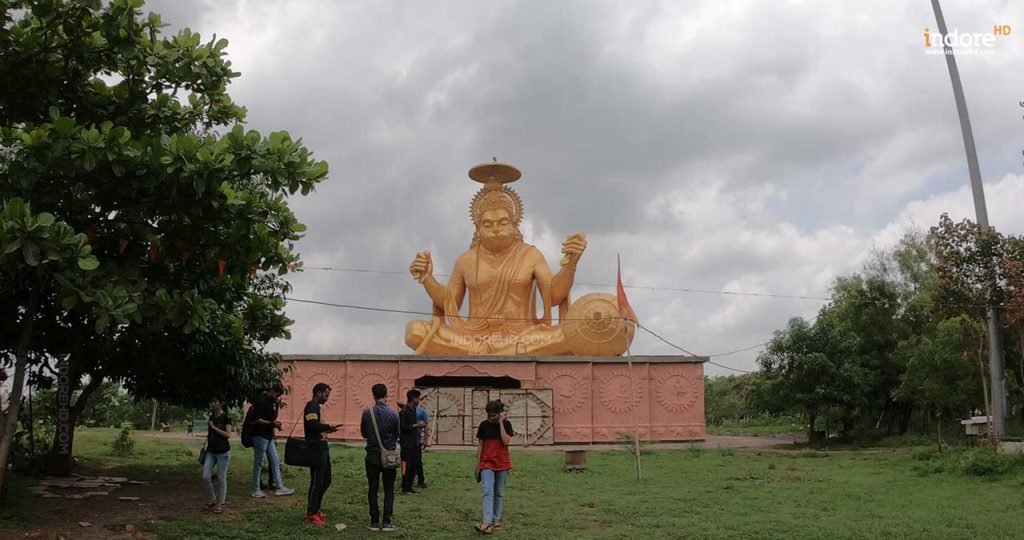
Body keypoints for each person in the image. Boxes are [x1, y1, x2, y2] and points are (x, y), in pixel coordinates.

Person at [361, 383, 400, 532]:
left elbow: (364, 433)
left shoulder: (366, 413)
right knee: (389, 489)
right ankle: (387, 521)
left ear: (373, 395)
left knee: (373, 488)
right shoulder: (393, 414)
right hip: (388, 456)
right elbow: (397, 434)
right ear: (386, 395)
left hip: (372, 455)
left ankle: (374, 520)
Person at [303, 383, 342, 526]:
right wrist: (328, 427)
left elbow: (316, 427)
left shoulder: (316, 407)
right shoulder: (311, 406)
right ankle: (311, 513)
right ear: (318, 393)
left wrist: (328, 430)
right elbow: (312, 425)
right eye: (326, 394)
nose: (327, 398)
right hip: (315, 449)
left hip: (322, 447)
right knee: (316, 482)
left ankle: (316, 508)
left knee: (326, 479)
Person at [474, 400, 514, 534]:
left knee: (499, 493)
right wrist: (477, 465)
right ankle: (486, 522)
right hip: (486, 462)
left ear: (500, 413)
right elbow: (480, 445)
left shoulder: (506, 424)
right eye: (489, 415)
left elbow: (506, 440)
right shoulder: (483, 425)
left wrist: (501, 422)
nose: (491, 418)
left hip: (502, 463)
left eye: (494, 415)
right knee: (487, 491)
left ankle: (496, 519)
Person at [250, 382, 294, 498]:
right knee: (258, 463)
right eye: (277, 395)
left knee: (275, 461)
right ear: (272, 390)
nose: (277, 397)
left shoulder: (271, 402)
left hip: (268, 435)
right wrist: (271, 423)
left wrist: (277, 409)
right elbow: (256, 419)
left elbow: (273, 418)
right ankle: (256, 489)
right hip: (259, 435)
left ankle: (279, 487)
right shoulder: (260, 400)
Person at [201, 395, 233, 514]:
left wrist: (213, 427)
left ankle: (221, 503)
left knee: (221, 478)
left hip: (223, 452)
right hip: (211, 451)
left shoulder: (226, 418)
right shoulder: (211, 417)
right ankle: (212, 499)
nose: (212, 404)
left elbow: (227, 434)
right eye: (212, 401)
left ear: (221, 403)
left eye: (215, 401)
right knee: (205, 476)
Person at [399, 389, 426, 495]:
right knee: (406, 466)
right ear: (414, 398)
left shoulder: (414, 410)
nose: (419, 400)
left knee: (414, 465)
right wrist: (416, 425)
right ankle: (405, 487)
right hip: (406, 445)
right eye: (418, 398)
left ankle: (409, 486)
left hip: (415, 443)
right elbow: (403, 428)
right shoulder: (404, 412)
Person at [415, 403, 430, 489]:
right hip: (408, 440)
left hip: (417, 440)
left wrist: (424, 440)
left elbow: (426, 426)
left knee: (418, 461)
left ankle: (421, 480)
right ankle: (407, 480)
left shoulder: (421, 411)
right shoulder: (406, 411)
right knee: (408, 462)